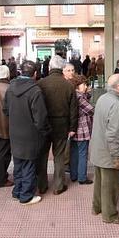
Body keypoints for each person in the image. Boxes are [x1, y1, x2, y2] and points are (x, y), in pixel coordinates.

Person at [3, 60, 51, 205]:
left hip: (15, 132)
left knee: (18, 163)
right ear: (35, 73)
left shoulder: (10, 88)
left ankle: (17, 191)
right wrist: (45, 132)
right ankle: (26, 196)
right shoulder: (35, 91)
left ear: (20, 71)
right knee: (29, 165)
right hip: (31, 134)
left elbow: (5, 110)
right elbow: (40, 117)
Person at [90, 74, 119, 224]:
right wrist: (117, 157)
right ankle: (110, 215)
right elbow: (114, 135)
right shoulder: (117, 105)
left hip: (98, 149)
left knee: (100, 182)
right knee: (111, 186)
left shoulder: (103, 98)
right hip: (109, 153)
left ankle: (97, 207)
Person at [37, 55, 78, 195]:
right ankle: (59, 185)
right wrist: (72, 127)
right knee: (59, 155)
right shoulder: (68, 85)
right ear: (62, 68)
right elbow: (74, 109)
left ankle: (41, 185)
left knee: (42, 155)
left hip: (44, 124)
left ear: (49, 67)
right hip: (62, 124)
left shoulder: (41, 84)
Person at [70, 75, 94, 184]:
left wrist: (87, 93)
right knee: (83, 153)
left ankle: (74, 175)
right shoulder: (80, 97)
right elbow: (91, 110)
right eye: (84, 84)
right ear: (77, 85)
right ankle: (82, 177)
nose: (85, 86)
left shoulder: (74, 95)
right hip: (82, 130)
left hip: (74, 129)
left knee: (74, 153)